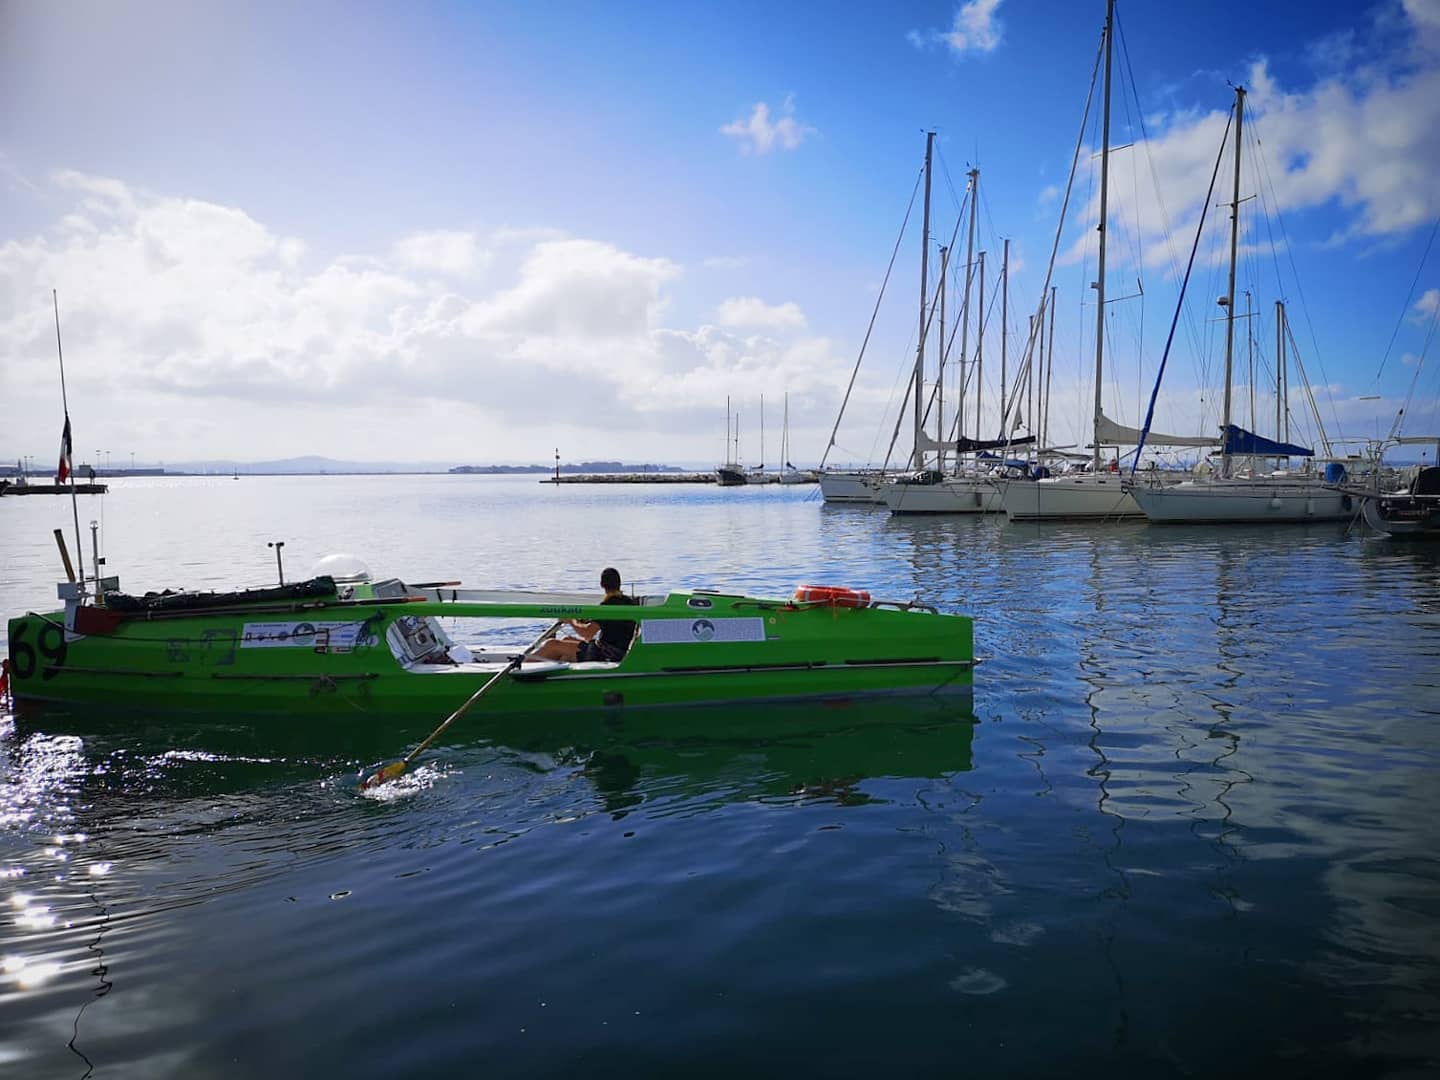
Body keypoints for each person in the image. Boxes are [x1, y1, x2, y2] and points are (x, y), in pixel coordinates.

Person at [529, 567, 638, 663]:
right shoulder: (628, 602)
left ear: (602, 585)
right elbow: (611, 625)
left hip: (605, 654)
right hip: (616, 651)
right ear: (619, 584)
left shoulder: (607, 605)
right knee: (566, 639)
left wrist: (571, 620)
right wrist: (581, 621)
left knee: (552, 644)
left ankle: (523, 665)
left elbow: (588, 633)